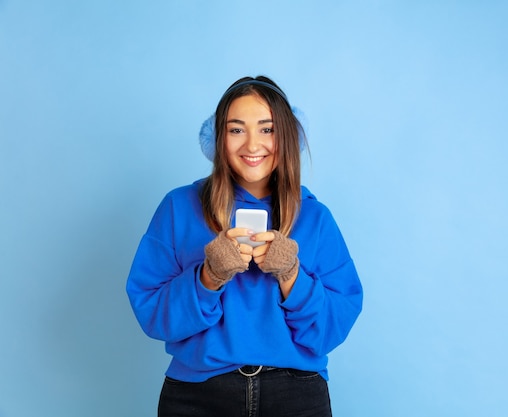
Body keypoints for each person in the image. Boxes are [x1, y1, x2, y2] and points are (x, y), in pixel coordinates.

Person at [126, 75, 363, 417]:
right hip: (197, 396)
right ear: (219, 139)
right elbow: (150, 312)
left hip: (295, 396)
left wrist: (291, 275)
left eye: (267, 129)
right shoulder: (179, 207)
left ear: (287, 136)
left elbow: (331, 329)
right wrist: (208, 276)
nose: (252, 145)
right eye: (237, 129)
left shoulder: (316, 218)